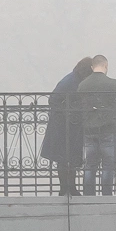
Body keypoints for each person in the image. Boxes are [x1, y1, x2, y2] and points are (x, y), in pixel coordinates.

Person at [75, 55, 116, 196]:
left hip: (89, 130)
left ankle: (88, 195)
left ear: (92, 67)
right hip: (109, 129)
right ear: (106, 66)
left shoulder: (83, 85)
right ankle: (107, 195)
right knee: (108, 165)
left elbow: (79, 105)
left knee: (90, 165)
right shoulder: (112, 84)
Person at [41, 57, 96, 195]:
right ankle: (66, 188)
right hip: (62, 128)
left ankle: (70, 187)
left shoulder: (73, 80)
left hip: (68, 127)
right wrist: (71, 114)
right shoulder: (71, 82)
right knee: (65, 158)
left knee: (70, 158)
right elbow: (54, 101)